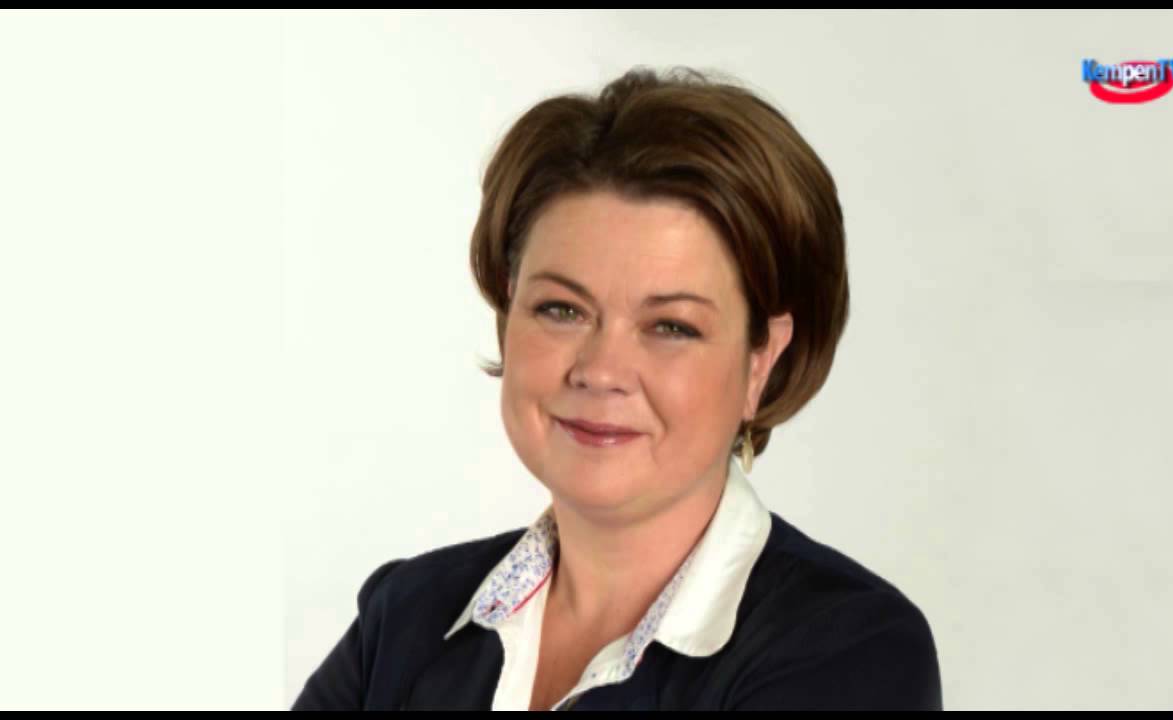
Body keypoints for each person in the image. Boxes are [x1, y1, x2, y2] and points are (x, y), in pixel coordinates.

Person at [291, 65, 942, 711]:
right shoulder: (406, 615)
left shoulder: (850, 652)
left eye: (671, 326)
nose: (601, 370)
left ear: (761, 360)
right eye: (562, 310)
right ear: (508, 313)